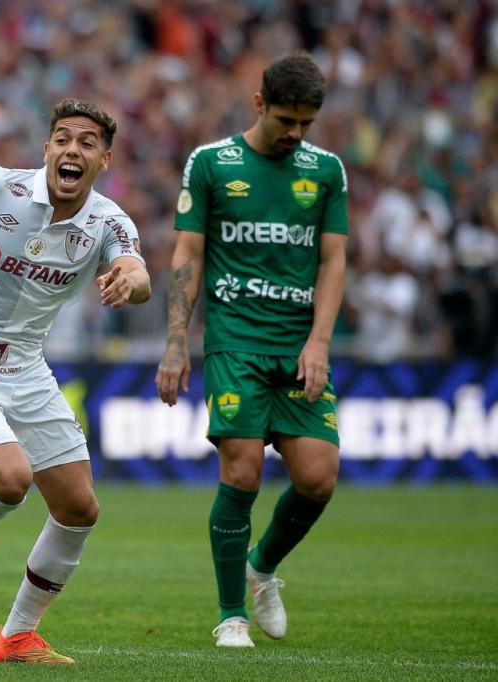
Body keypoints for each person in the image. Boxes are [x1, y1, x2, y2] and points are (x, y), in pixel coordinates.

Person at [0, 99, 151, 664]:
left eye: (87, 143)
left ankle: (18, 635)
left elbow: (138, 271)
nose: (72, 150)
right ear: (47, 149)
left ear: (103, 159)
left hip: (26, 369)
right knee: (10, 480)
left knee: (79, 508)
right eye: (63, 139)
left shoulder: (107, 221)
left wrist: (130, 280)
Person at [155, 53, 348, 648]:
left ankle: (261, 568)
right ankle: (230, 614)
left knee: (318, 478)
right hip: (236, 338)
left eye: (306, 124)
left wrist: (318, 342)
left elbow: (333, 258)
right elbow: (187, 252)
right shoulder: (212, 164)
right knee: (241, 467)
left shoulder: (327, 171)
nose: (295, 134)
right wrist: (175, 342)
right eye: (286, 119)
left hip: (297, 344)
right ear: (259, 103)